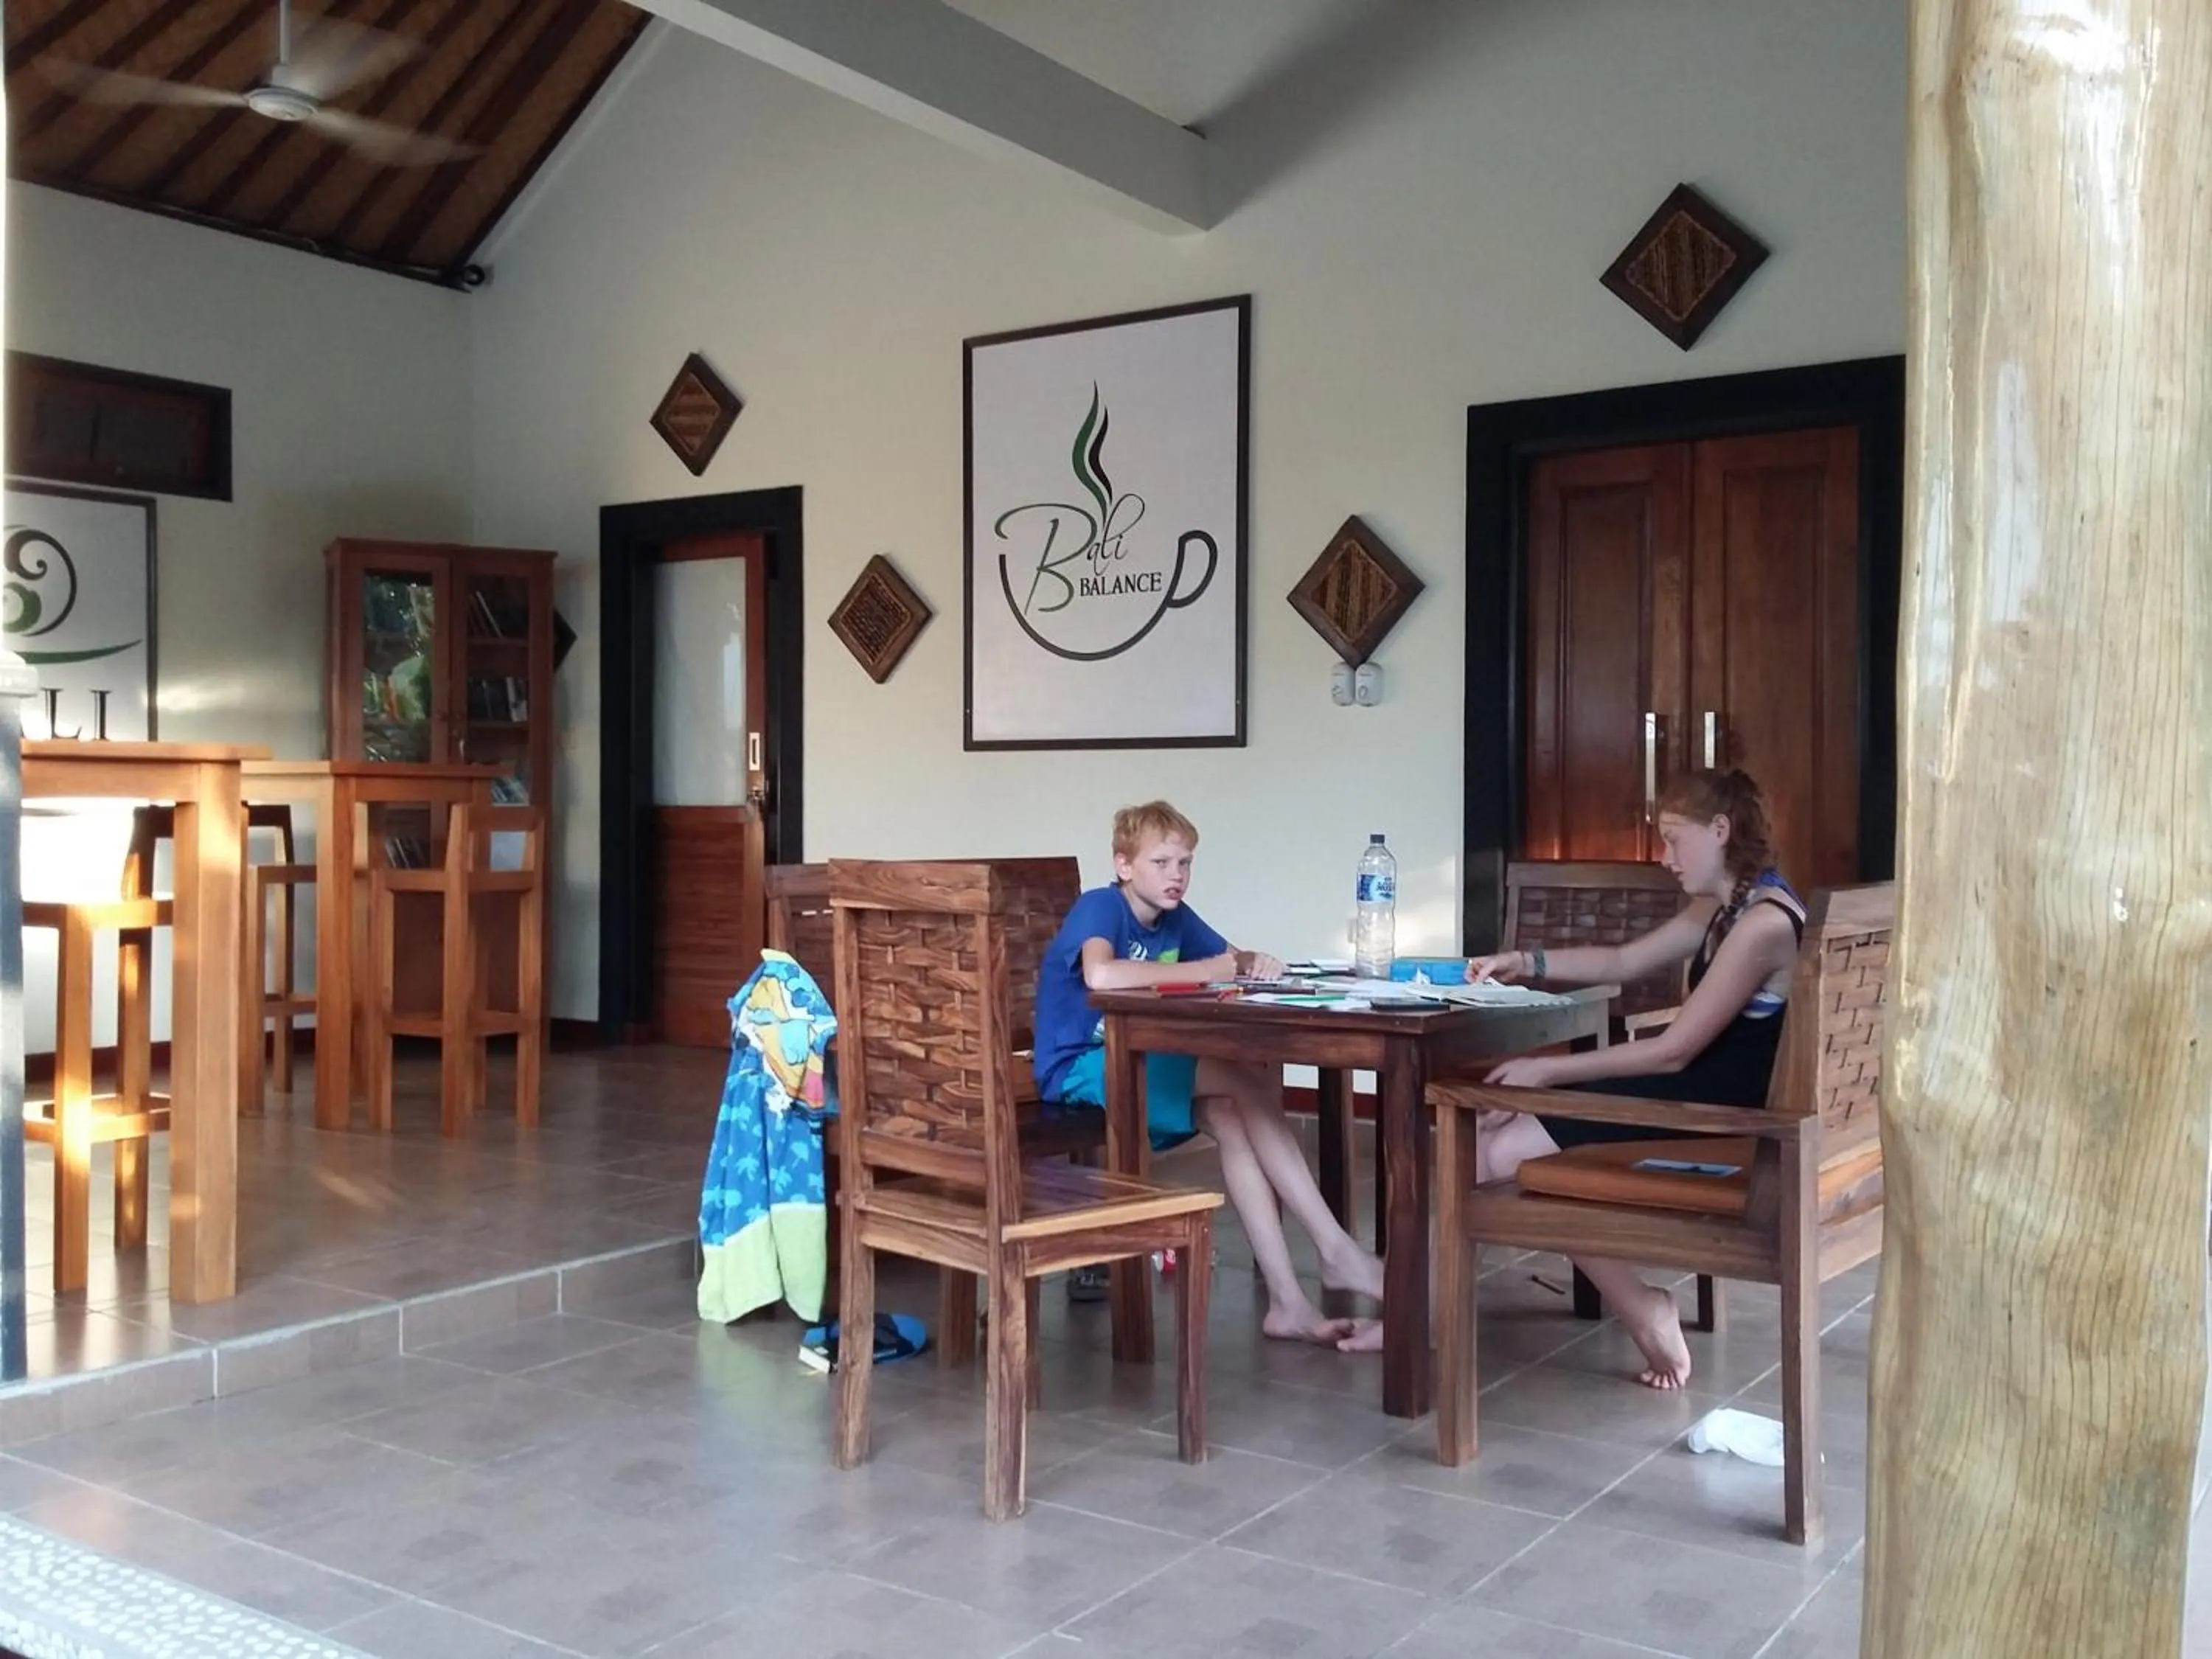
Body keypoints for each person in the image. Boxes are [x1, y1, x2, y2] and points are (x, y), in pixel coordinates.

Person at [1461, 768, 1806, 1390]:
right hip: (1700, 1088)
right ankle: (1629, 1305)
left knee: (1507, 1147)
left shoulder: (1765, 924)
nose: (1665, 857)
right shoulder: (1728, 908)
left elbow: (1672, 1052)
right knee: (1499, 1135)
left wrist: (1548, 1068)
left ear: (1721, 831)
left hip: (1724, 1111)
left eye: (1675, 839)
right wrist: (1525, 963)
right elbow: (1623, 961)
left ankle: (1646, 1309)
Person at [1034, 799, 1385, 1346]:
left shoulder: (1176, 917)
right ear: (1125, 865)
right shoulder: (1101, 905)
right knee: (1246, 1085)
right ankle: (1336, 1251)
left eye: (1186, 863)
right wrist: (1209, 969)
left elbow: (1231, 957)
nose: (1176, 875)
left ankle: (1288, 1302)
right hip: (1079, 1066)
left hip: (1137, 1057)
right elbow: (1101, 974)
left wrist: (1252, 962)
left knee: (1233, 1105)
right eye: (1162, 862)